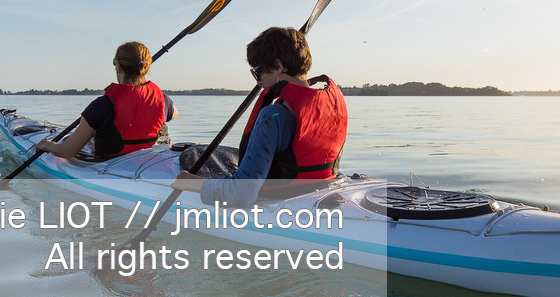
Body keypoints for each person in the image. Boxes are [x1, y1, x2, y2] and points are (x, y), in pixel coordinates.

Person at [172, 26, 346, 207]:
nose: (258, 80)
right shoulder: (333, 104)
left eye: (257, 71)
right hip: (320, 192)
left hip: (280, 201)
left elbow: (241, 194)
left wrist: (193, 183)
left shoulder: (273, 117)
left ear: (277, 66)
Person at [36, 41, 177, 161]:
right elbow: (174, 113)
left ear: (117, 66)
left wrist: (46, 145)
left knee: (73, 140)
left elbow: (67, 151)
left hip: (111, 164)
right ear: (146, 68)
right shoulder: (163, 100)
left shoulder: (102, 106)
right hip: (151, 162)